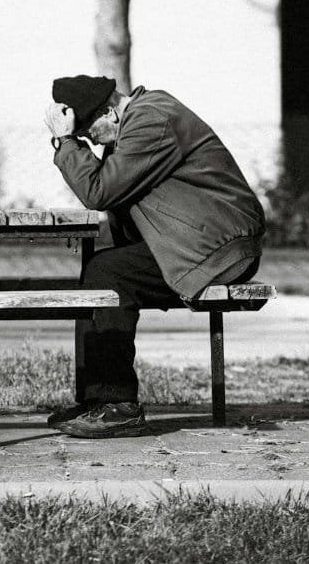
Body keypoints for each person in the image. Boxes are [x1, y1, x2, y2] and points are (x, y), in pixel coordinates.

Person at [44, 75, 265, 438]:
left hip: (220, 250)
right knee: (99, 272)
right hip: (193, 245)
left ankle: (119, 407)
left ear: (109, 113)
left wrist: (66, 142)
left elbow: (97, 191)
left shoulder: (151, 120)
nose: (91, 141)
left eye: (88, 132)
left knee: (107, 274)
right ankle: (98, 402)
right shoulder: (135, 125)